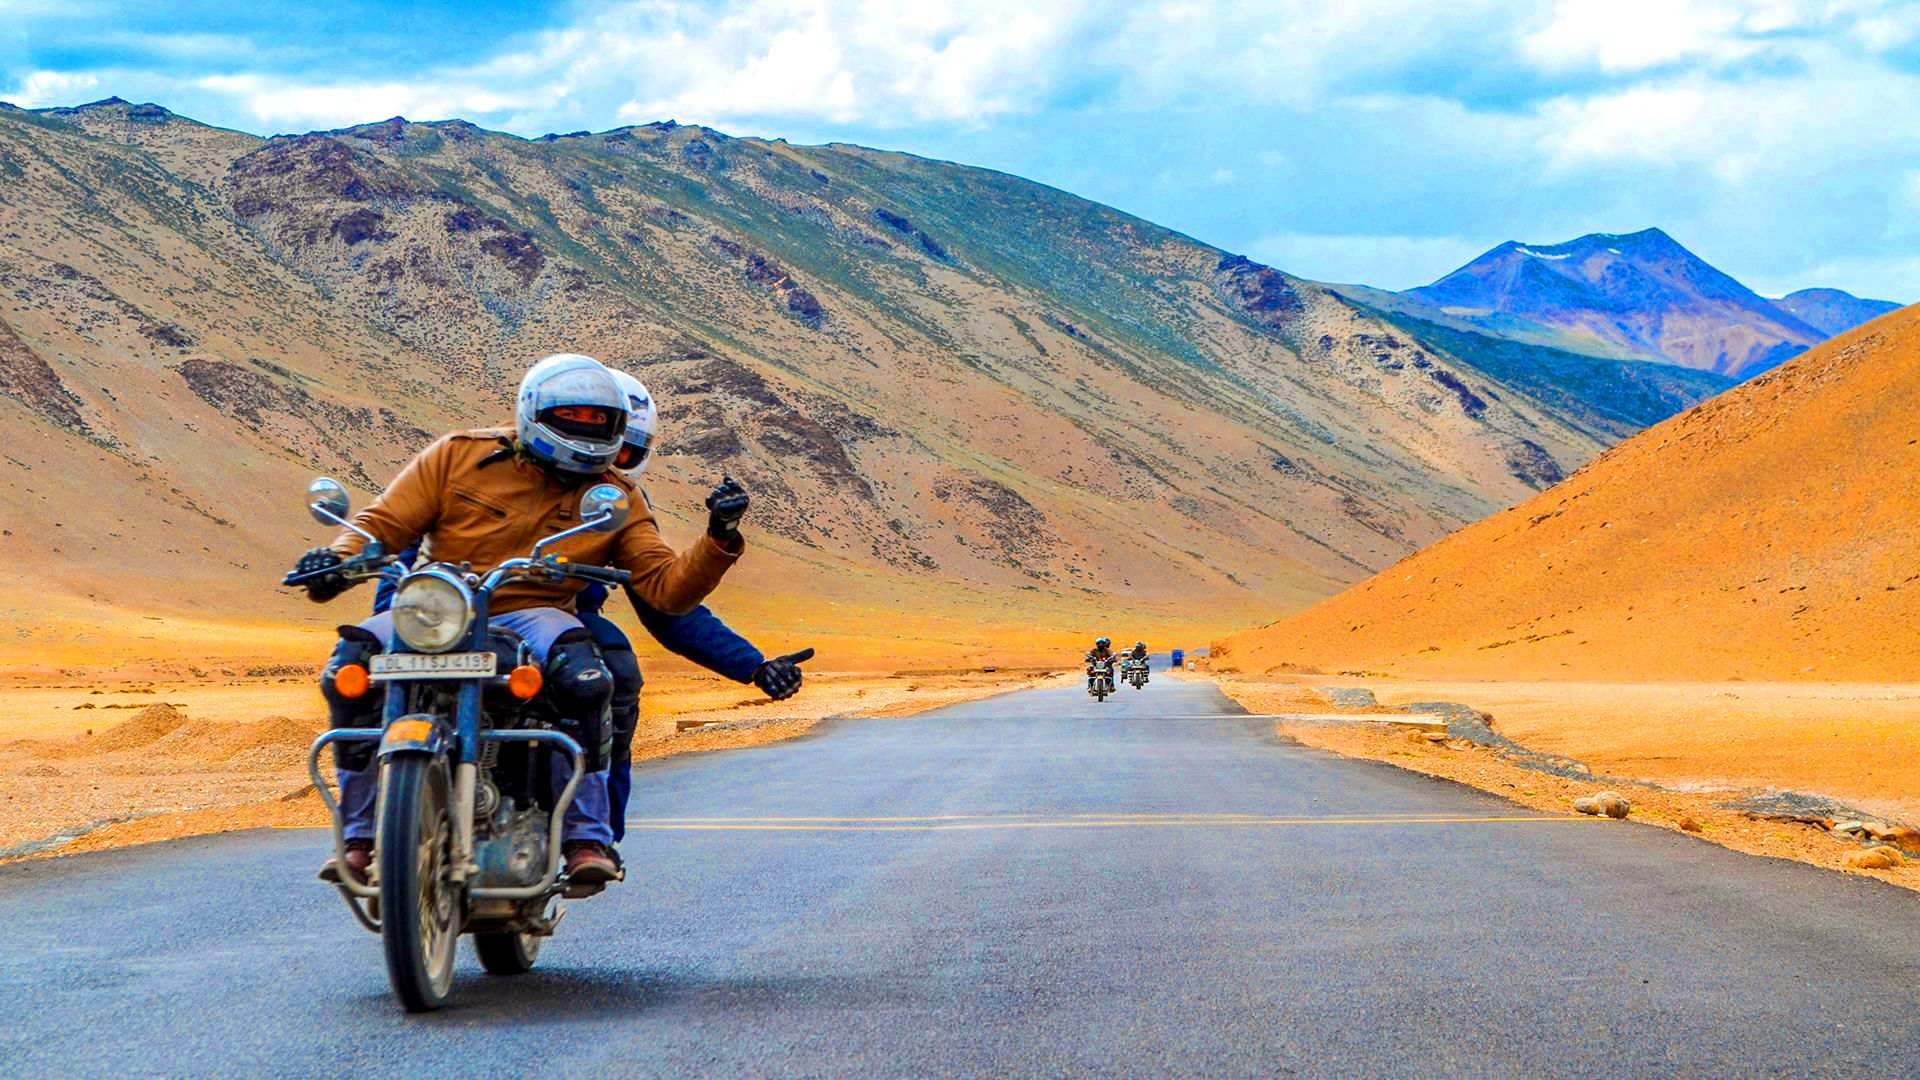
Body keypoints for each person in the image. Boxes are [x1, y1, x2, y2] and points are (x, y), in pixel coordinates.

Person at [295, 353, 749, 888]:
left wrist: (718, 539)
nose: (585, 429)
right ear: (536, 412)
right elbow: (383, 523)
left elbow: (666, 590)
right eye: (572, 417)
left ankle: (586, 836)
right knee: (348, 669)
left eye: (597, 421)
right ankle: (359, 834)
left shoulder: (613, 497)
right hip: (440, 605)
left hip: (535, 611)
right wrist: (339, 560)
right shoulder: (457, 456)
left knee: (587, 680)